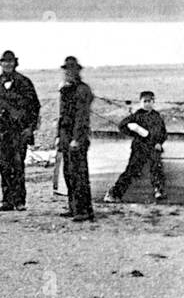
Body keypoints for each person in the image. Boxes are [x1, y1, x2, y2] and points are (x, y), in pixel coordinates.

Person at [0, 49, 41, 211]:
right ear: (0, 64)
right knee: (4, 166)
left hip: (19, 132)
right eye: (5, 62)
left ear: (15, 63)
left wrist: (30, 128)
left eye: (10, 62)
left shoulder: (24, 82)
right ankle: (6, 201)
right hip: (1, 132)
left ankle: (20, 201)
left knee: (18, 166)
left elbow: (34, 107)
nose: (7, 64)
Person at [104, 91, 167, 204]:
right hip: (140, 147)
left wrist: (159, 143)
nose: (147, 104)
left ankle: (159, 190)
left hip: (153, 147)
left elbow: (163, 132)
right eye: (145, 101)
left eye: (150, 101)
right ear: (140, 102)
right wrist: (135, 132)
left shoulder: (156, 116)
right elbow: (122, 125)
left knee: (156, 167)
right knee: (132, 170)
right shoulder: (137, 115)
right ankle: (114, 193)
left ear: (153, 102)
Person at [56, 56, 95, 223]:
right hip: (66, 136)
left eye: (71, 70)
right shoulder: (66, 90)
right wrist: (59, 136)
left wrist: (77, 138)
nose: (68, 73)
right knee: (68, 174)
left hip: (76, 138)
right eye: (66, 70)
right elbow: (62, 115)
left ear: (77, 72)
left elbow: (82, 117)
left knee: (79, 175)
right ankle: (73, 207)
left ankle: (84, 210)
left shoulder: (82, 90)